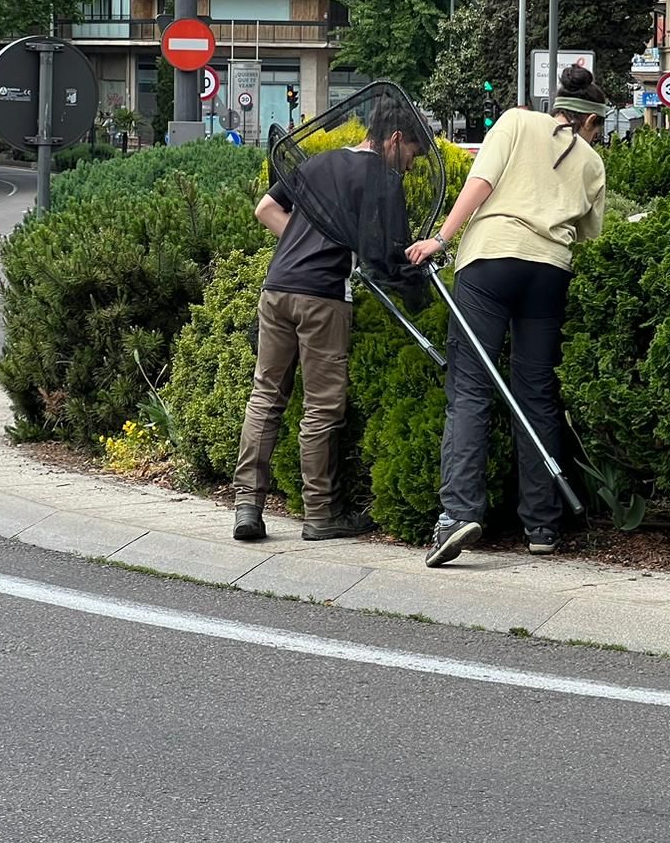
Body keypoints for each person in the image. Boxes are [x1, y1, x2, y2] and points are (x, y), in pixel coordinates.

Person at [408, 65, 608, 566]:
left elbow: (480, 183)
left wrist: (441, 238)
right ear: (589, 121)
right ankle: (542, 524)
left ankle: (459, 514)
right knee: (536, 393)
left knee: (471, 387)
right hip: (549, 273)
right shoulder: (592, 160)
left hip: (491, 260)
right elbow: (589, 234)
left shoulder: (516, 122)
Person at [232, 100, 426, 543]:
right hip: (323, 299)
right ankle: (321, 515)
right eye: (412, 153)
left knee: (265, 396)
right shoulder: (382, 178)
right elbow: (390, 258)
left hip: (276, 288)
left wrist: (303, 244)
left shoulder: (317, 162)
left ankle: (247, 506)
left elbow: (265, 208)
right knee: (322, 409)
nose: (411, 166)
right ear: (394, 140)